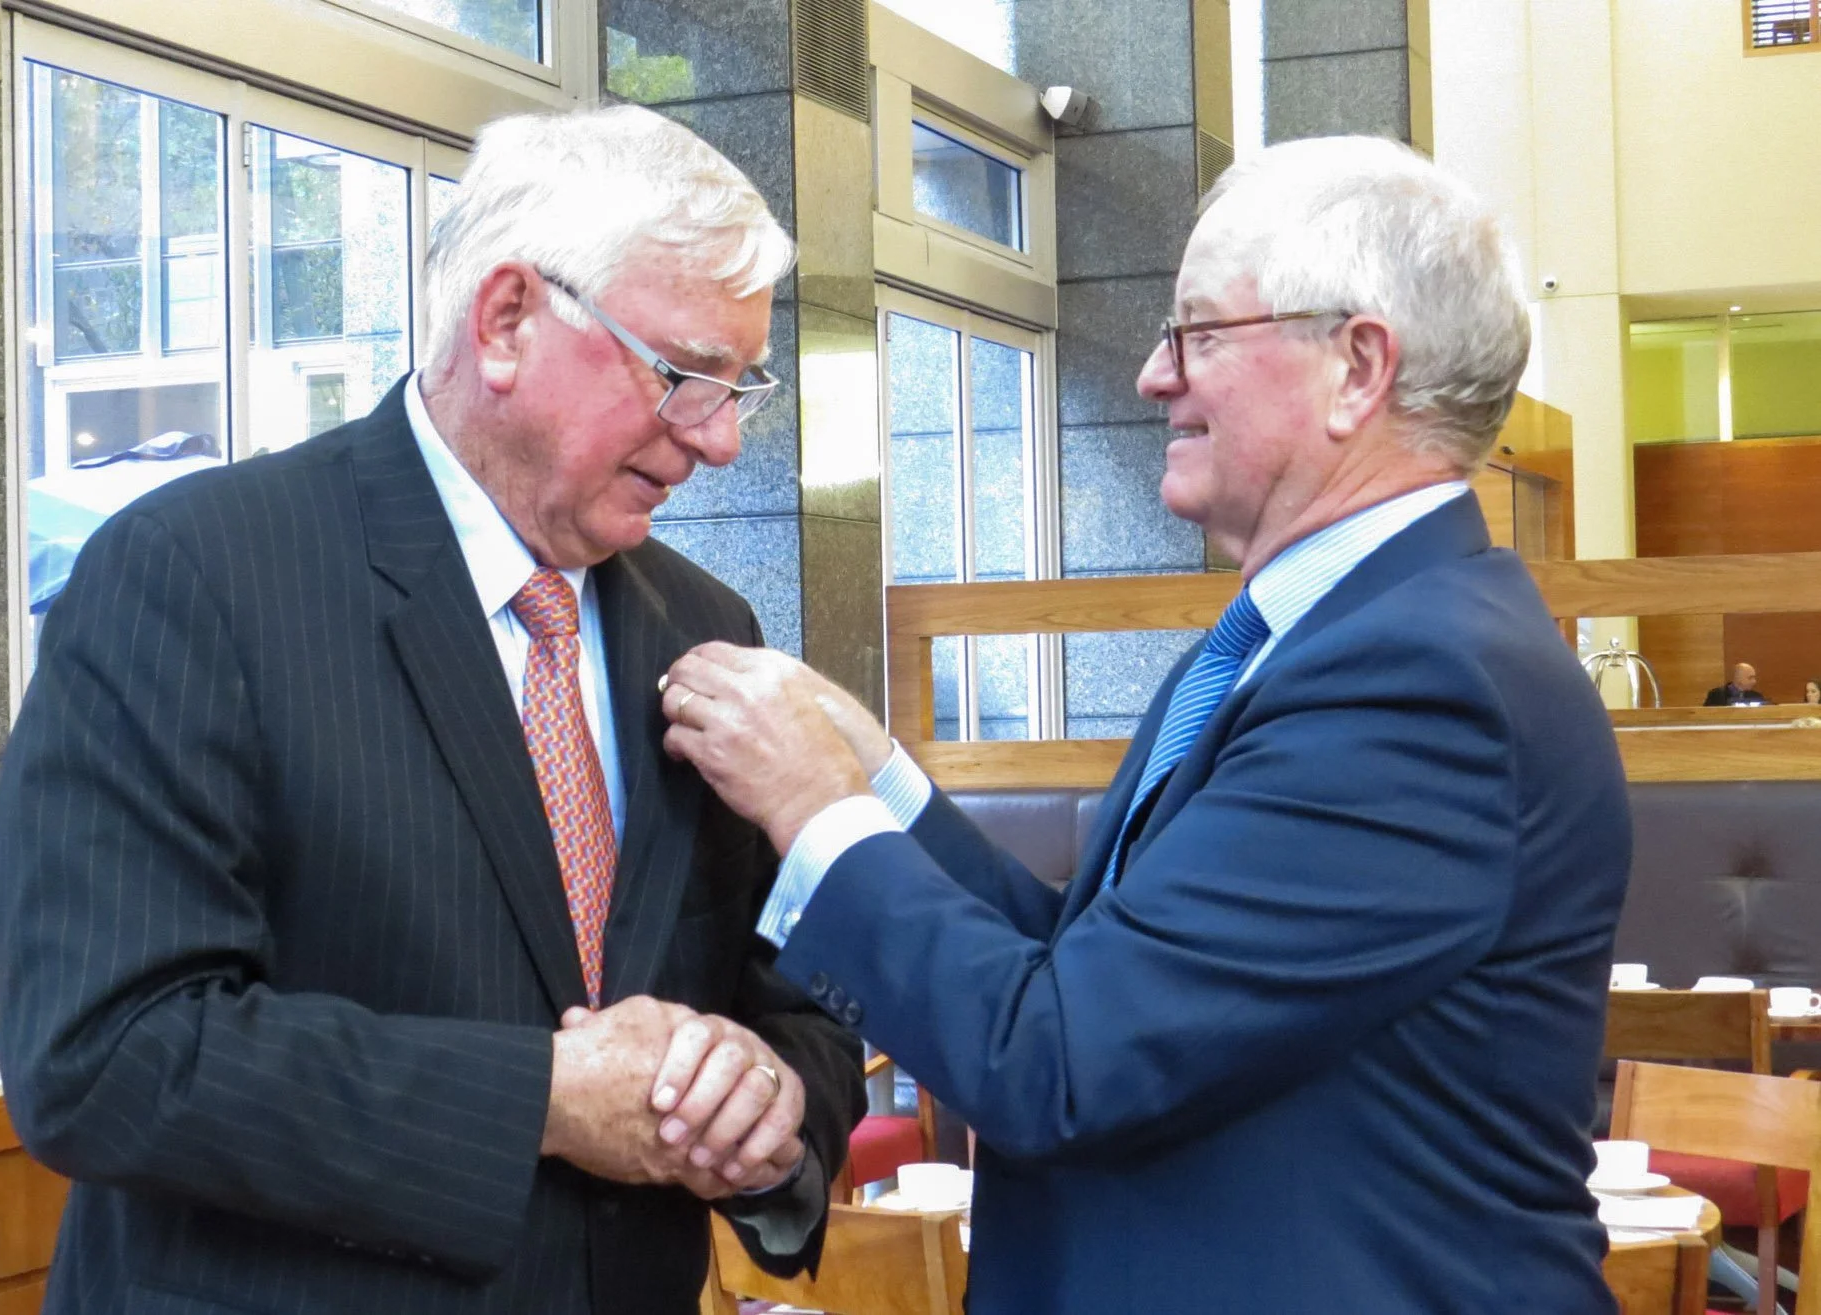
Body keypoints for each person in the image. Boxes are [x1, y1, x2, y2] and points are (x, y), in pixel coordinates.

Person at [653, 136, 1631, 1311]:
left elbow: (1061, 1059)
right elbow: (1096, 967)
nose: (1153, 375)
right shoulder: (1304, 640)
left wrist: (815, 805)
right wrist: (879, 778)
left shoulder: (1421, 684)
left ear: (1358, 367)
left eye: (1199, 332)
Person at [0, 106, 864, 1315]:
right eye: (682, 378)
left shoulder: (704, 628)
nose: (719, 442)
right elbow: (105, 1053)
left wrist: (766, 1100)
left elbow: (799, 1006)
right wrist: (542, 1098)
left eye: (739, 388)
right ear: (506, 321)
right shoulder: (194, 578)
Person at [1705, 661, 1772, 705]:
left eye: (1754, 677)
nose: (1754, 681)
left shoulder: (1756, 696)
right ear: (1739, 678)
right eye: (1750, 678)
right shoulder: (1716, 695)